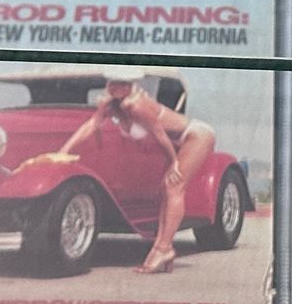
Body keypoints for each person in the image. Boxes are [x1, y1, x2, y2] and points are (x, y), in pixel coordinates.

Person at [55, 68, 215, 275]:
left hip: (195, 135)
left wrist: (174, 162)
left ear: (131, 86)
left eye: (123, 83)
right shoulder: (110, 104)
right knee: (165, 190)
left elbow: (160, 135)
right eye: (113, 82)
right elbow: (91, 125)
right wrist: (63, 151)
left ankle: (164, 249)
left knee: (174, 186)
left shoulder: (138, 105)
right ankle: (162, 249)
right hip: (174, 141)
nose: (117, 87)